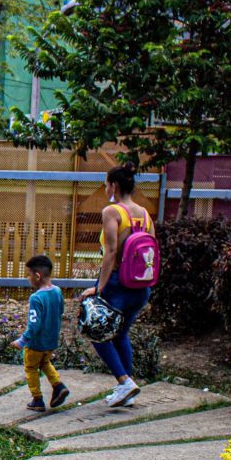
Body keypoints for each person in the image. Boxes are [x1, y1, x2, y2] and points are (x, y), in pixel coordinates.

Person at [80, 162, 155, 407]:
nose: (105, 188)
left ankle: (124, 382)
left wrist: (98, 288)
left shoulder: (112, 212)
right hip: (140, 287)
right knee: (121, 335)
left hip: (116, 284)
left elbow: (110, 252)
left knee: (96, 333)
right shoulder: (144, 213)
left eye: (106, 184)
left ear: (114, 185)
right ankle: (126, 390)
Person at [13, 254, 69, 412]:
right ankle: (58, 386)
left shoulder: (36, 298)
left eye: (29, 275)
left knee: (31, 368)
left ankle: (37, 399)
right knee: (45, 363)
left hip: (36, 344)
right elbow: (61, 311)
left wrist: (23, 341)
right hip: (51, 342)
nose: (28, 278)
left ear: (37, 276)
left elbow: (34, 324)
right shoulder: (57, 291)